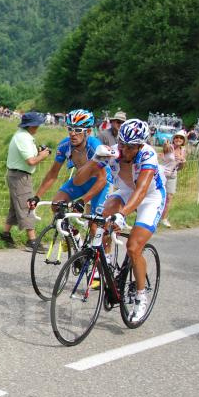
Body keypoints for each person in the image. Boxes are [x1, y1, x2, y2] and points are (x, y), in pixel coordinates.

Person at [73, 119, 166, 322]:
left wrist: (122, 214)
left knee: (133, 247)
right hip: (125, 190)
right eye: (122, 144)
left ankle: (141, 297)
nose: (124, 150)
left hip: (151, 196)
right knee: (103, 215)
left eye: (130, 147)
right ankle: (106, 261)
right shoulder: (113, 151)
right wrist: (94, 160)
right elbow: (78, 180)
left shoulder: (148, 155)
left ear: (140, 146)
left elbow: (141, 191)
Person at [28, 109, 112, 221]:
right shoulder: (64, 145)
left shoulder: (95, 147)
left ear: (88, 132)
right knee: (56, 205)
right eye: (70, 129)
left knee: (95, 224)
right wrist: (37, 197)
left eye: (77, 130)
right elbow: (53, 174)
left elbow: (102, 179)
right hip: (82, 180)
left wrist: (83, 201)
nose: (72, 133)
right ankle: (72, 234)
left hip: (101, 182)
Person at [0, 111, 52, 249]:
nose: (38, 127)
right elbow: (31, 160)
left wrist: (39, 152)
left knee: (15, 206)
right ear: (32, 125)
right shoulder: (23, 137)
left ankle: (5, 234)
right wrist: (43, 155)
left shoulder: (23, 135)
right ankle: (32, 240)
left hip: (17, 175)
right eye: (37, 124)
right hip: (20, 176)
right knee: (27, 205)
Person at [159, 129, 187, 228]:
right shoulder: (169, 147)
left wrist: (183, 162)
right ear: (173, 139)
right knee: (159, 196)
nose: (178, 139)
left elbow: (181, 167)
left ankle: (164, 218)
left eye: (181, 138)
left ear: (184, 140)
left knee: (169, 198)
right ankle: (154, 216)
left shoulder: (183, 151)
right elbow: (165, 148)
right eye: (176, 137)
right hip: (162, 174)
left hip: (173, 175)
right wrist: (165, 144)